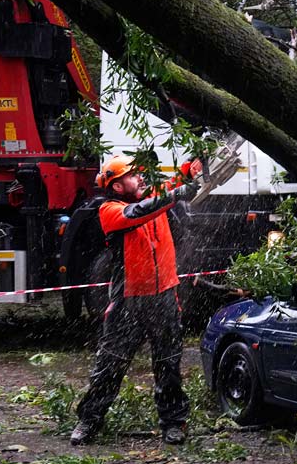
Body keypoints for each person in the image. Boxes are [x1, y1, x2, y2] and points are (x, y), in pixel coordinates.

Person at [70, 155, 202, 446]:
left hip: (164, 295)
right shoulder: (110, 211)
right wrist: (175, 194)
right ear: (117, 186)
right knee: (110, 364)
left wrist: (188, 169)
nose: (141, 177)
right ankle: (89, 420)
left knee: (168, 363)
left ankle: (173, 422)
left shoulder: (153, 194)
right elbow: (143, 211)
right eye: (134, 175)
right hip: (128, 302)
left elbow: (172, 186)